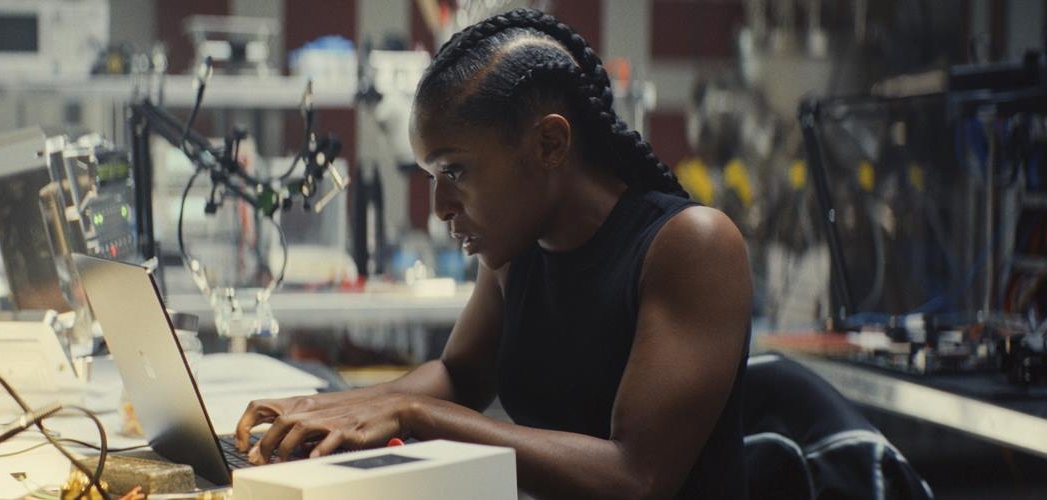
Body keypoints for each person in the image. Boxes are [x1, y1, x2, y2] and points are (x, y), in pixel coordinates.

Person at [235, 8, 752, 499]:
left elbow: (634, 477)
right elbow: (458, 377)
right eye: (432, 177)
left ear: (550, 143)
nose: (440, 207)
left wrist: (412, 412)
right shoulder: (516, 248)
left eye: (454, 171)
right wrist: (322, 409)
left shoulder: (692, 245)